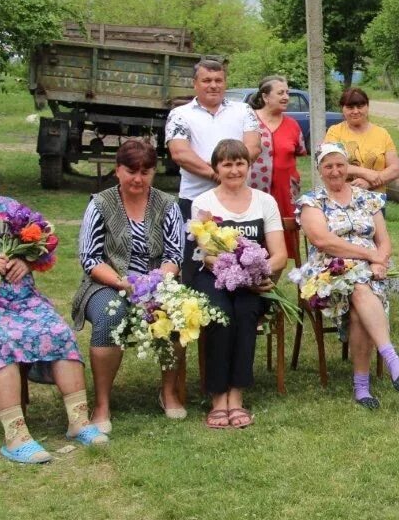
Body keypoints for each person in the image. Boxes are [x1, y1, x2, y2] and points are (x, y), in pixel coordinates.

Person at [0, 148, 108, 464]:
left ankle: (78, 421)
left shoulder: (10, 209)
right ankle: (16, 437)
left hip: (23, 300)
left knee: (58, 330)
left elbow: (46, 238)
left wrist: (26, 259)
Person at [71, 139, 186, 432]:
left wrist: (158, 282)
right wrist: (123, 283)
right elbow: (90, 258)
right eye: (131, 171)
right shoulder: (100, 203)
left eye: (146, 172)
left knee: (176, 312)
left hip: (157, 281)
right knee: (112, 317)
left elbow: (174, 254)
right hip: (107, 282)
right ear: (117, 170)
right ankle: (102, 403)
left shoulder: (168, 204)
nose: (138, 178)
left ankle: (169, 392)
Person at [297, 142, 399, 408]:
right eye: (328, 166)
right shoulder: (312, 201)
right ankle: (392, 361)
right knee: (361, 287)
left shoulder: (367, 198)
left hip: (370, 269)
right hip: (329, 270)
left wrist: (380, 261)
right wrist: (369, 256)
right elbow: (323, 241)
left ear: (347, 166)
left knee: (359, 303)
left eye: (340, 164)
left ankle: (362, 387)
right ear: (319, 169)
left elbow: (384, 241)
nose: (335, 171)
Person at [191, 139, 288, 428]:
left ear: (248, 165)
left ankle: (237, 394)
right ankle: (218, 397)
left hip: (255, 280)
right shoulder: (204, 203)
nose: (234, 170)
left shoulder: (264, 201)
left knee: (246, 312)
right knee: (221, 315)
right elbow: (205, 254)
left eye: (239, 163)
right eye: (227, 164)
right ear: (216, 168)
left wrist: (258, 273)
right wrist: (233, 271)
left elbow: (280, 253)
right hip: (214, 277)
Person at [166, 59, 261, 282]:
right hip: (194, 200)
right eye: (206, 80)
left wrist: (229, 175)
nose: (213, 85)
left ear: (225, 83)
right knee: (194, 264)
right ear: (195, 84)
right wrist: (219, 175)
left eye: (218, 80)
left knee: (239, 261)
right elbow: (180, 153)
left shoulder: (244, 110)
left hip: (238, 203)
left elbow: (254, 146)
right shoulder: (180, 114)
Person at [247, 76, 307, 258]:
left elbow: (300, 151)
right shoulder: (250, 122)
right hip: (255, 190)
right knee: (254, 235)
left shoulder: (292, 125)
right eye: (280, 93)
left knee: (285, 236)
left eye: (287, 92)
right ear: (265, 97)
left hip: (285, 192)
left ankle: (273, 276)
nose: (286, 97)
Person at [324, 87, 399, 197]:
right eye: (350, 107)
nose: (355, 111)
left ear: (367, 107)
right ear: (342, 109)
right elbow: (331, 164)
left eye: (360, 106)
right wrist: (365, 173)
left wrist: (369, 183)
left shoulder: (382, 134)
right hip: (342, 198)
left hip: (375, 201)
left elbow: (394, 169)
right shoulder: (334, 132)